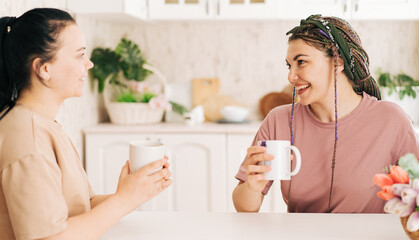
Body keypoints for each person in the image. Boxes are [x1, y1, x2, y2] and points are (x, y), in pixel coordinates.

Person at [0, 8, 172, 239]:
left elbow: (82, 206)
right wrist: (123, 200)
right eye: (80, 55)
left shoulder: (43, 125)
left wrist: (135, 191)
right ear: (44, 69)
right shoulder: (28, 138)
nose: (89, 64)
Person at [232, 15, 419, 213]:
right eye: (289, 65)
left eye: (301, 62)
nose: (290, 76)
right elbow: (244, 208)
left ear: (337, 63)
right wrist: (252, 187)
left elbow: (415, 199)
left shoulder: (390, 120)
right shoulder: (278, 121)